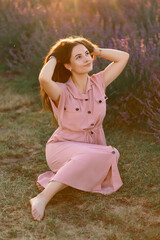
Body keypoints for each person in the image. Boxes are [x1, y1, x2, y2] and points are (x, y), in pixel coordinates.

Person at [29, 36, 129, 221]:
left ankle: (66, 176)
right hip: (63, 147)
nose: (87, 59)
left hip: (93, 145)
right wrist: (55, 57)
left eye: (87, 55)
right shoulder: (61, 90)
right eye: (79, 57)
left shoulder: (99, 82)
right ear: (68, 65)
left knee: (113, 154)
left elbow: (123, 57)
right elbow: (44, 78)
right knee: (104, 155)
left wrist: (94, 49)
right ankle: (42, 198)